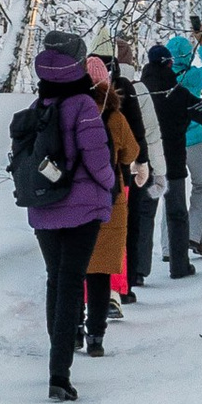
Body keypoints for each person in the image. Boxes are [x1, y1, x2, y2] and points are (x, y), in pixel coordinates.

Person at [21, 32, 116, 400]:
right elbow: (98, 160)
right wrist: (109, 186)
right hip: (82, 210)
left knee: (54, 281)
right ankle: (59, 374)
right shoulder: (84, 106)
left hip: (44, 205)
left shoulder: (39, 104)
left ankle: (56, 361)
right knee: (72, 281)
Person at [80, 55, 145, 354]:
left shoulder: (73, 112)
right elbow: (130, 152)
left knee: (75, 268)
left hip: (75, 199)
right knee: (101, 271)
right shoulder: (115, 117)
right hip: (109, 197)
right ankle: (96, 337)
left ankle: (74, 327)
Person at [113, 33, 166, 293]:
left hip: (107, 167)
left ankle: (110, 281)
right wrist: (160, 172)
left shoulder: (94, 84)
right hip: (136, 166)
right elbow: (152, 134)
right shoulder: (139, 88)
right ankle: (132, 277)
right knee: (134, 222)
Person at [167, 19, 202, 253]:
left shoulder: (162, 79)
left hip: (171, 142)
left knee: (171, 192)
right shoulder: (195, 76)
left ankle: (168, 246)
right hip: (196, 140)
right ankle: (193, 234)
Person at [141, 42, 196, 275]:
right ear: (169, 63)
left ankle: (138, 271)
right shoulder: (178, 93)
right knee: (176, 214)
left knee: (144, 217)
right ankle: (179, 266)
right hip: (173, 164)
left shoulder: (140, 92)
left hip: (147, 166)